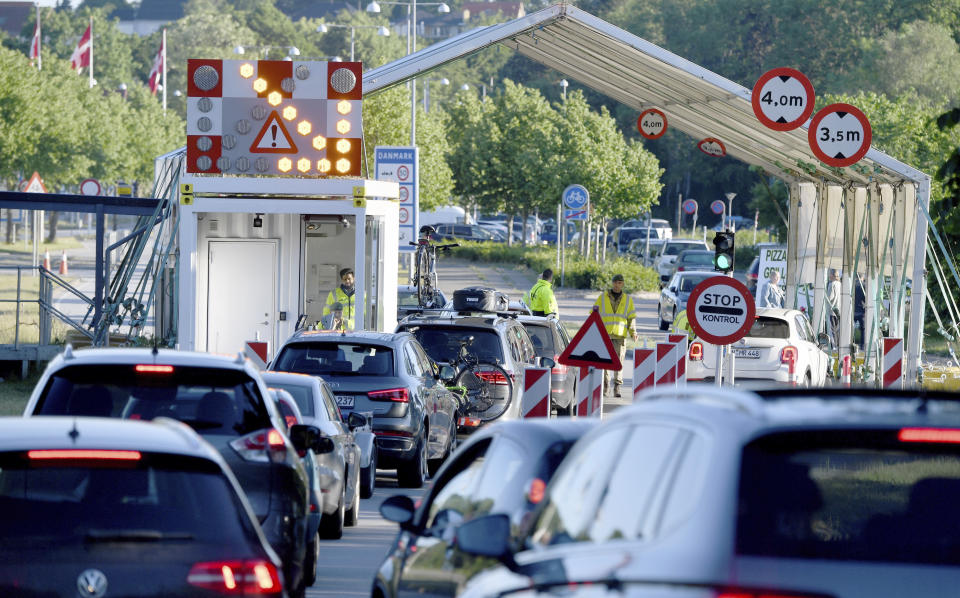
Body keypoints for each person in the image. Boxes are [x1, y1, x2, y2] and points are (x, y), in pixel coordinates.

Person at [593, 274, 637, 398]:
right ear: (612, 283)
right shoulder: (602, 298)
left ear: (622, 284)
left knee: (618, 363)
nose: (617, 285)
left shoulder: (628, 300)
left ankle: (617, 388)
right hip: (605, 336)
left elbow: (631, 318)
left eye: (620, 283)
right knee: (605, 363)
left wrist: (633, 332)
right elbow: (594, 315)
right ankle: (605, 388)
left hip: (619, 336)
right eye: (615, 282)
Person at [826, 269, 841, 347]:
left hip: (832, 310)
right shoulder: (840, 284)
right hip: (839, 309)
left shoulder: (832, 284)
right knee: (837, 329)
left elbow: (829, 297)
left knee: (832, 329)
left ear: (831, 275)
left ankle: (834, 345)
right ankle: (838, 344)